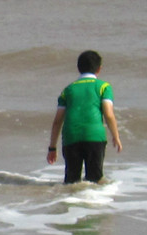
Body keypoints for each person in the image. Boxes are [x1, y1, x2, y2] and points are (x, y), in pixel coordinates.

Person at [48, 51, 122, 184]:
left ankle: (70, 202)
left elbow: (57, 121)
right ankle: (91, 203)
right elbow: (108, 114)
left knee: (71, 181)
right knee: (95, 180)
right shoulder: (104, 87)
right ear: (99, 68)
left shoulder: (68, 90)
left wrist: (52, 148)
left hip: (71, 137)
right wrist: (115, 136)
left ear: (78, 68)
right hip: (94, 136)